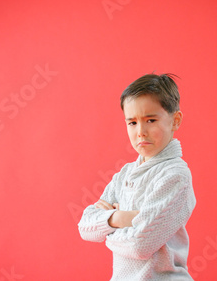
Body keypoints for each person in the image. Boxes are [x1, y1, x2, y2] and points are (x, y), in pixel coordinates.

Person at [78, 73, 196, 280]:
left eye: (150, 120)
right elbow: (85, 228)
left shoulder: (176, 176)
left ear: (175, 121)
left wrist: (106, 229)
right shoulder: (125, 173)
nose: (141, 131)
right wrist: (122, 218)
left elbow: (141, 245)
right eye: (132, 123)